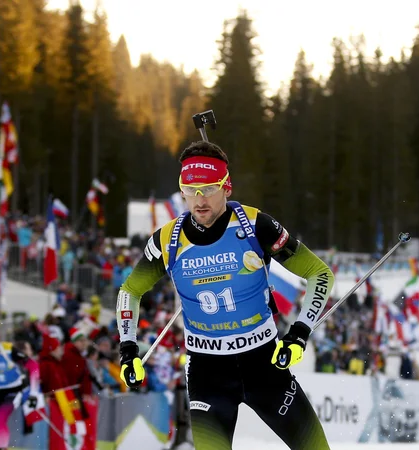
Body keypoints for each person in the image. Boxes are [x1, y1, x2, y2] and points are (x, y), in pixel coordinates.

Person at [116, 141, 333, 449]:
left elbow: (320, 273)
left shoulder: (255, 225)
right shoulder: (167, 241)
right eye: (189, 190)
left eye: (208, 189)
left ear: (226, 187)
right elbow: (129, 292)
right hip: (208, 374)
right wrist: (128, 351)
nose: (198, 199)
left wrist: (299, 333)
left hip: (264, 365)